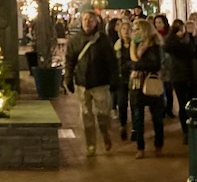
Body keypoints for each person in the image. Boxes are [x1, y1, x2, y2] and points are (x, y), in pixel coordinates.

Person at [64, 11, 118, 156]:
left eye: (91, 20)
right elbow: (70, 61)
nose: (88, 22)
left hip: (100, 82)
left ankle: (105, 133)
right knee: (86, 116)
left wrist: (114, 79)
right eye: (85, 19)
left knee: (102, 113)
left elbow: (112, 61)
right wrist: (68, 78)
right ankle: (91, 145)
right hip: (82, 83)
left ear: (96, 22)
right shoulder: (75, 40)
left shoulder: (103, 40)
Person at [164, 18, 197, 144]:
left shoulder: (192, 40)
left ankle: (194, 128)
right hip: (179, 77)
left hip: (192, 75)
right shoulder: (171, 43)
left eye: (182, 29)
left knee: (194, 101)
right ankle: (186, 131)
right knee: (183, 104)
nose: (181, 32)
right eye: (178, 30)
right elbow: (169, 49)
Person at [129, 18, 165, 158]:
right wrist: (133, 65)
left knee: (156, 117)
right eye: (134, 28)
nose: (134, 31)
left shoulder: (154, 44)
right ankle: (140, 147)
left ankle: (158, 144)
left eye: (137, 28)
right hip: (136, 83)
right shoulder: (133, 44)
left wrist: (135, 65)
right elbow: (127, 62)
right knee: (137, 117)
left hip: (151, 82)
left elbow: (155, 64)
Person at [112, 18, 134, 140]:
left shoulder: (134, 44)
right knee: (122, 103)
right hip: (121, 78)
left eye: (128, 29)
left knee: (135, 104)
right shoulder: (117, 46)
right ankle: (123, 125)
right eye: (123, 29)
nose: (126, 31)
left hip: (133, 77)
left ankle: (135, 128)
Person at [152, 13, 176, 118]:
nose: (158, 25)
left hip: (168, 65)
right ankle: (161, 109)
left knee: (169, 88)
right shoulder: (153, 36)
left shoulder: (169, 35)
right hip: (157, 66)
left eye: (160, 22)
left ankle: (169, 109)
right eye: (156, 22)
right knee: (160, 89)